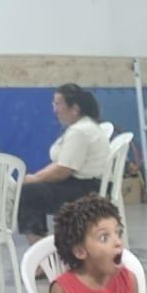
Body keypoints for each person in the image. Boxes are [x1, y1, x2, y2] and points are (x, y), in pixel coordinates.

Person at [19, 84, 110, 238]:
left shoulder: (80, 131)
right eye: (53, 104)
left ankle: (39, 250)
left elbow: (62, 170)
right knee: (33, 187)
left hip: (87, 190)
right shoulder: (83, 126)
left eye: (58, 104)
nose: (55, 110)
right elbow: (60, 164)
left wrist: (34, 179)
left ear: (74, 108)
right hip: (85, 185)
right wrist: (35, 178)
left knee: (28, 194)